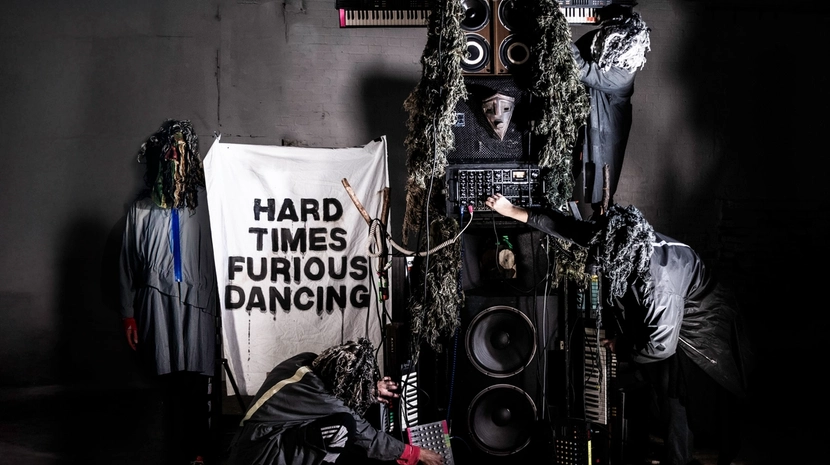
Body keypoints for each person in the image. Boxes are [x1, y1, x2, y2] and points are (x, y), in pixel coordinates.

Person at [485, 193, 754, 465]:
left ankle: (684, 458)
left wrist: (621, 345)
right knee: (662, 386)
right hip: (674, 311)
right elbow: (561, 225)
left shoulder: (658, 285)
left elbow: (662, 346)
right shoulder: (615, 238)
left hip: (703, 323)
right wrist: (510, 210)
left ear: (623, 264)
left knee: (680, 393)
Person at [119, 120, 217, 465]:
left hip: (199, 301)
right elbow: (127, 264)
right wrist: (128, 313)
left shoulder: (207, 205)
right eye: (169, 150)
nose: (175, 156)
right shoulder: (142, 209)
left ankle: (200, 451)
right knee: (170, 379)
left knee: (196, 379)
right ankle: (177, 452)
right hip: (157, 302)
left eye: (181, 149)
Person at [226, 338, 444, 465]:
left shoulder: (305, 360)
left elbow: (336, 382)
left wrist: (368, 388)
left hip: (255, 438)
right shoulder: (323, 396)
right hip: (260, 455)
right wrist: (416, 453)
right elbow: (367, 437)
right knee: (344, 425)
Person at [571, 6, 650, 215]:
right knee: (586, 165)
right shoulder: (607, 49)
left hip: (606, 127)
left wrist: (560, 32)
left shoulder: (622, 73)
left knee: (601, 174)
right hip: (594, 118)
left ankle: (603, 214)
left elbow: (582, 70)